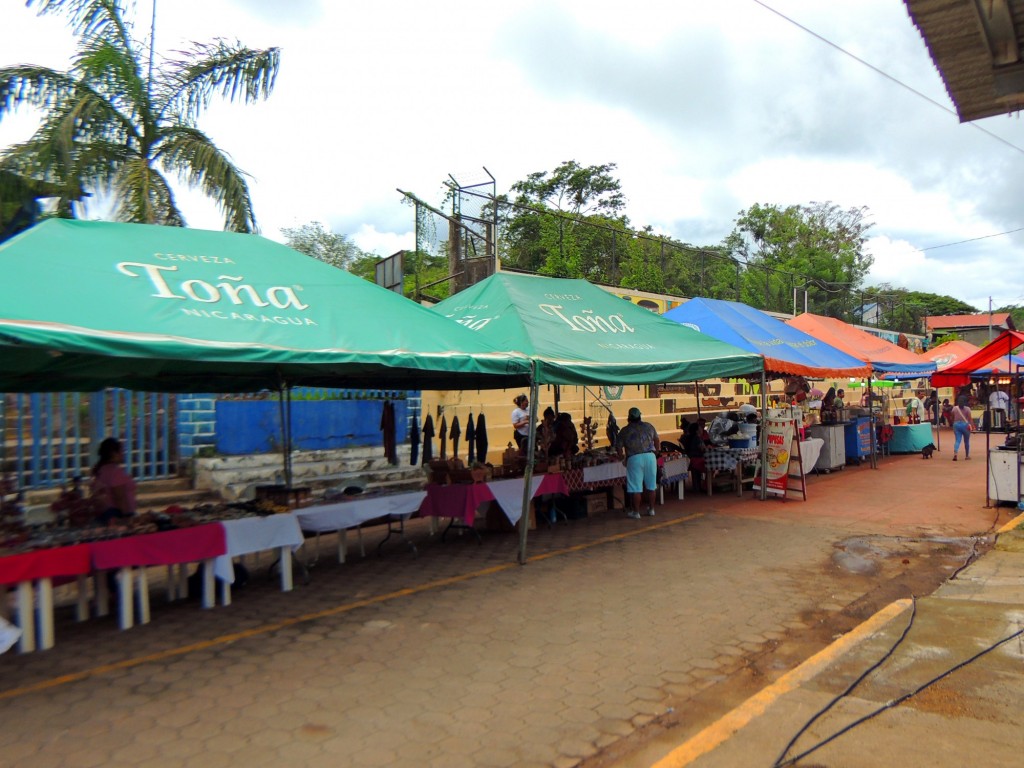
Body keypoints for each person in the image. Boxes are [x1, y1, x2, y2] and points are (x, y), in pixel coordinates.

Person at [614, 407, 660, 519]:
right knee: (651, 485)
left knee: (636, 487)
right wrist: (656, 452)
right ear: (640, 416)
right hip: (650, 456)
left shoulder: (624, 430)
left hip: (634, 458)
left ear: (628, 417)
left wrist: (622, 458)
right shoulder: (649, 426)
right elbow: (657, 440)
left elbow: (619, 447)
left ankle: (636, 512)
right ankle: (652, 510)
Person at [90, 437, 136, 523]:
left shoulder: (101, 470)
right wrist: (126, 517)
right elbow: (119, 497)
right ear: (114, 453)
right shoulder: (116, 472)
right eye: (121, 451)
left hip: (106, 515)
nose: (123, 454)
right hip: (118, 516)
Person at [950, 395, 973, 461]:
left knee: (957, 440)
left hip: (956, 425)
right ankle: (967, 455)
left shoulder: (954, 408)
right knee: (966, 441)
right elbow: (970, 419)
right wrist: (972, 426)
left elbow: (952, 417)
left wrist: (954, 423)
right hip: (965, 425)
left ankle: (955, 454)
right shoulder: (967, 409)